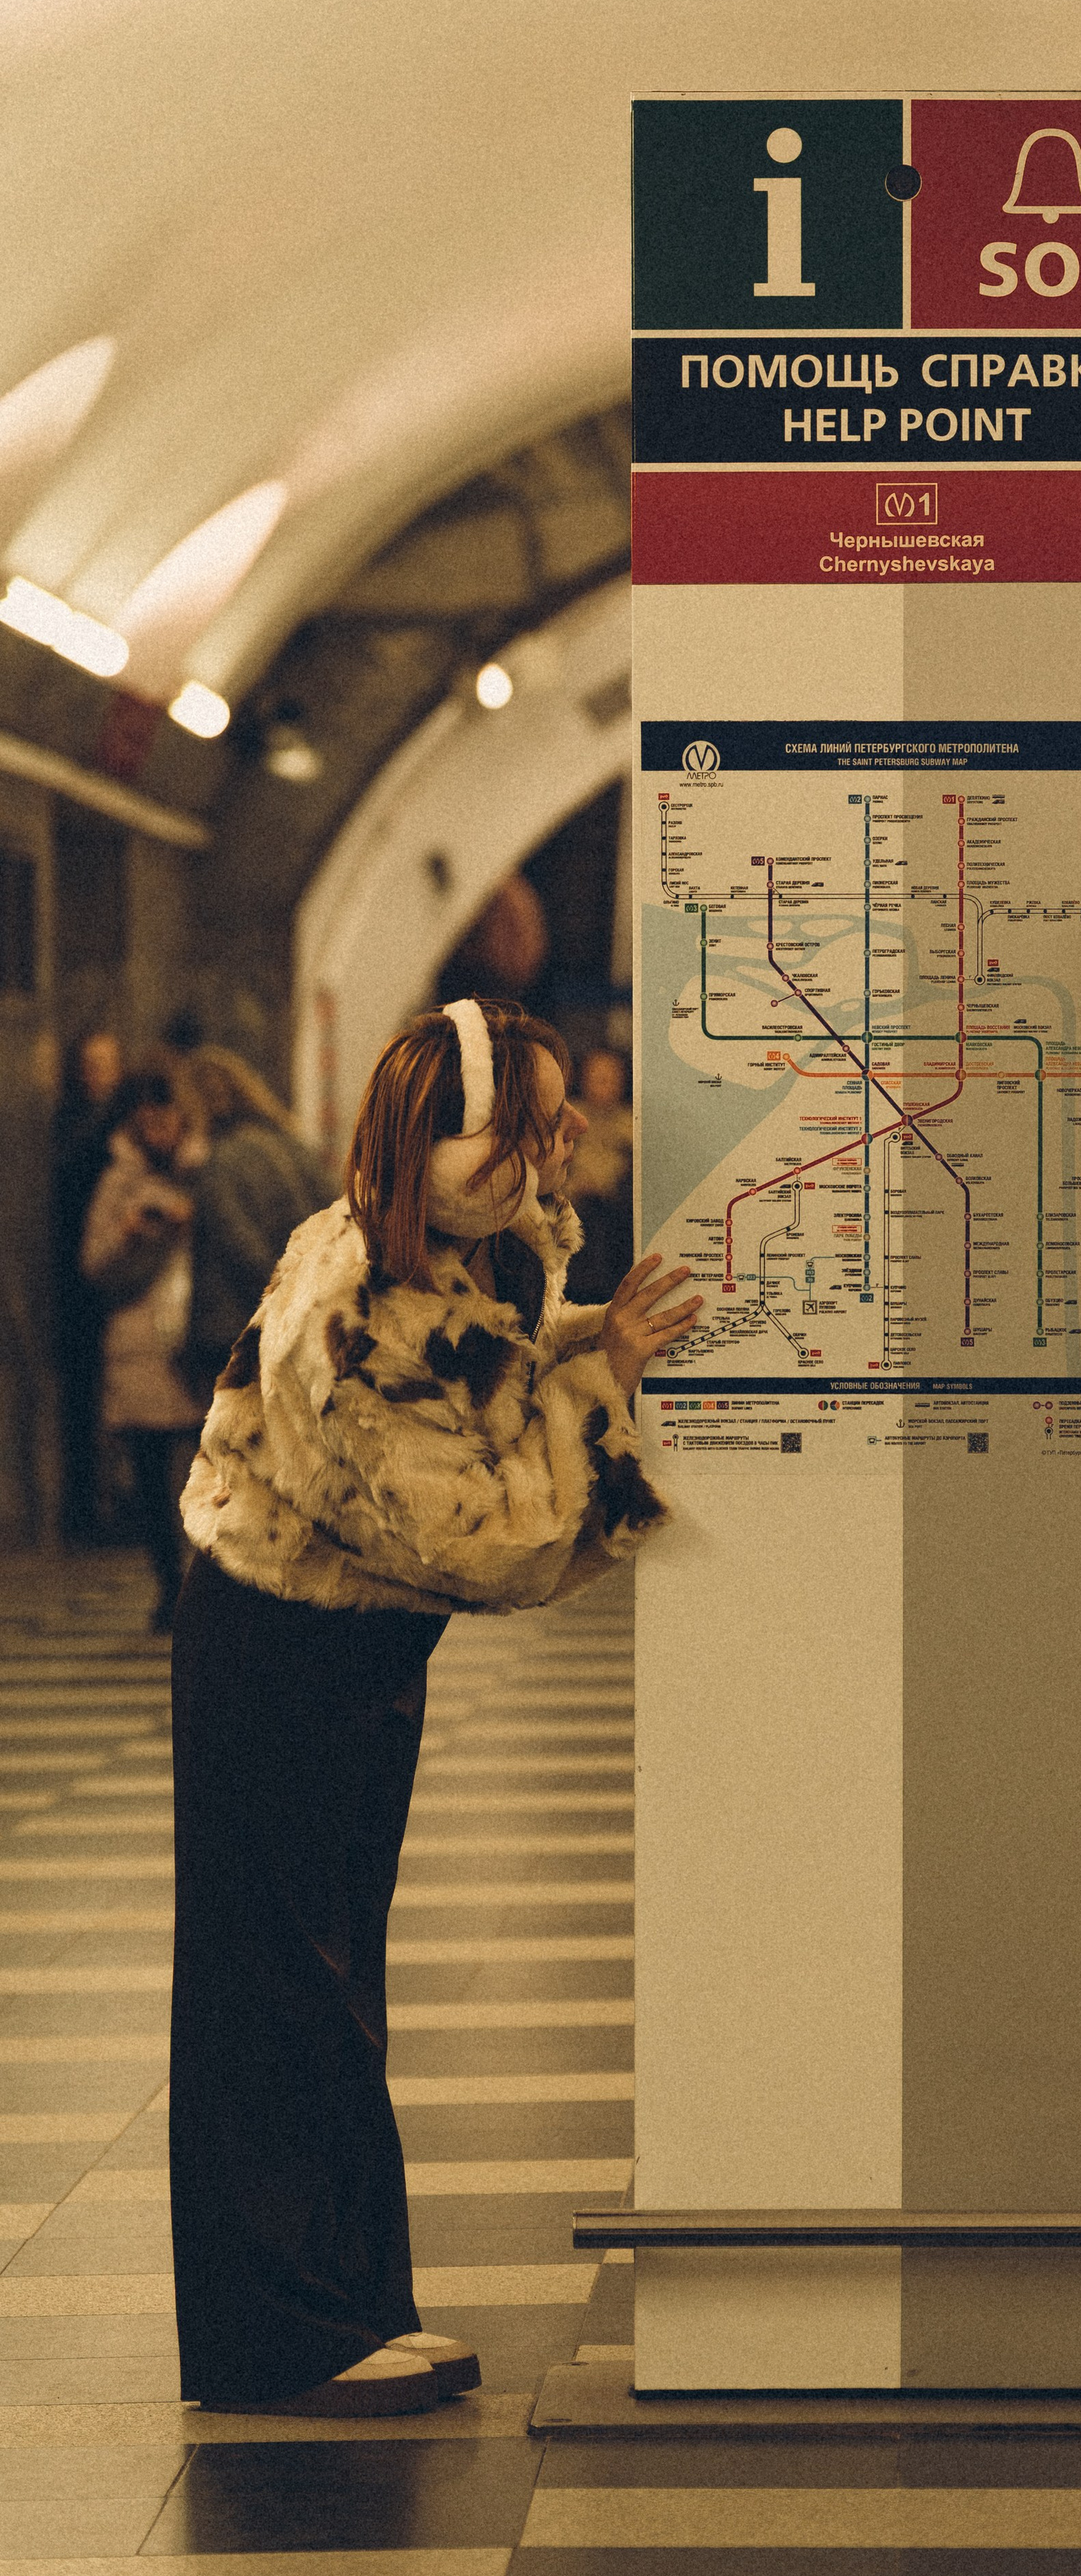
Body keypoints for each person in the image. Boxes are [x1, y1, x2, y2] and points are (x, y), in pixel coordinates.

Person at [171, 996, 700, 2418]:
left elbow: (493, 1357)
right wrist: (612, 1384)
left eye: (546, 1130)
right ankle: (279, 2335)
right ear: (422, 1140)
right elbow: (502, 1540)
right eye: (510, 1133)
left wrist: (575, 1297)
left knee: (327, 1982)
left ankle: (340, 2302)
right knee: (278, 1986)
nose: (536, 1163)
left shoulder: (427, 1251)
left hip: (338, 1655)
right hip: (281, 1657)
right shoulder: (353, 1312)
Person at [80, 1066, 204, 1630]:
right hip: (137, 1347)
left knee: (204, 1476)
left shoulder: (204, 1176)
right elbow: (93, 1267)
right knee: (153, 1481)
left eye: (166, 1118)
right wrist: (129, 1231)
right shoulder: (116, 1183)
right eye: (148, 1121)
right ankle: (168, 1586)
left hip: (193, 1344)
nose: (158, 1130)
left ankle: (204, 1588)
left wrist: (189, 1220)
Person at [178, 1046, 329, 1400]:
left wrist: (281, 1299)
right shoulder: (294, 1148)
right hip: (303, 1326)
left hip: (239, 1332)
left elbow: (241, 1248)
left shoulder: (221, 1163)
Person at [52, 1030, 123, 1543]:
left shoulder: (122, 1125)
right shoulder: (76, 1125)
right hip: (78, 1289)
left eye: (108, 1062)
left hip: (118, 1287)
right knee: (84, 1401)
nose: (100, 1071)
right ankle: (85, 1511)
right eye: (92, 1062)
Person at [563, 1044, 635, 1306]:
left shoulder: (633, 1124)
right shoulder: (569, 1117)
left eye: (611, 1077)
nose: (604, 1084)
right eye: (597, 1077)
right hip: (573, 1218)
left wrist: (607, 1190)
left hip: (616, 1227)